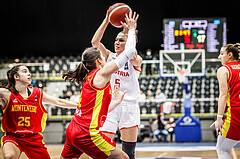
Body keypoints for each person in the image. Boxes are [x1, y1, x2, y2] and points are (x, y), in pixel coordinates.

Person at [60, 11, 138, 159]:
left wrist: (117, 101)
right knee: (123, 157)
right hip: (87, 131)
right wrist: (132, 29)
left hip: (73, 128)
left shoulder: (88, 77)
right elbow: (129, 51)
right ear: (99, 62)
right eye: (102, 57)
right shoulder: (101, 74)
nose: (105, 57)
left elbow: (100, 107)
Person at [91, 8, 142, 159]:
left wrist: (130, 31)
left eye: (121, 40)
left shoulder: (135, 60)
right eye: (116, 40)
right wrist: (107, 20)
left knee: (128, 153)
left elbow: (132, 53)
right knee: (101, 148)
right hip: (110, 106)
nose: (117, 42)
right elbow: (95, 42)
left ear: (128, 43)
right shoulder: (109, 56)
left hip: (130, 106)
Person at [0, 65, 78, 159]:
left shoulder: (37, 93)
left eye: (29, 71)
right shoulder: (6, 94)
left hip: (33, 138)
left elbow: (58, 101)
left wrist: (79, 106)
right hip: (13, 137)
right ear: (16, 76)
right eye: (25, 71)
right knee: (9, 156)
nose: (29, 73)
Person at [210, 43, 240, 159]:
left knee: (222, 149)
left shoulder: (224, 70)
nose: (219, 57)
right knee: (221, 147)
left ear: (230, 55)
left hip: (236, 113)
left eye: (222, 54)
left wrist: (219, 118)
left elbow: (223, 95)